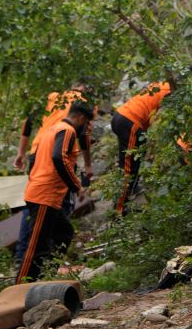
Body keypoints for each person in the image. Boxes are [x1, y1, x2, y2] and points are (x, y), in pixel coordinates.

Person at [17, 100, 91, 280]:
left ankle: (45, 273)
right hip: (44, 195)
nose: (88, 129)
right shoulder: (67, 130)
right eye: (88, 124)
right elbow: (59, 158)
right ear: (80, 118)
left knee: (65, 232)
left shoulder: (52, 128)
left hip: (45, 194)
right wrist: (76, 186)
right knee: (35, 247)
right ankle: (19, 289)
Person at [109, 79, 173, 214]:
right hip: (130, 121)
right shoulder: (170, 91)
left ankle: (129, 191)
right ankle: (120, 208)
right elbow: (161, 117)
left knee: (128, 161)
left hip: (121, 116)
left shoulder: (161, 84)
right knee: (129, 165)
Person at [16, 81, 94, 182]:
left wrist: (21, 153)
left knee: (37, 190)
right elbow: (84, 135)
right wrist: (88, 165)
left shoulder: (53, 97)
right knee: (59, 194)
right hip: (61, 152)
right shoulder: (84, 104)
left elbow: (29, 122)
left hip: (38, 150)